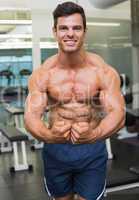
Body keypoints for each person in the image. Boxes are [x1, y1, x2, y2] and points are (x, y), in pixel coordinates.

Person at [24, 2, 125, 200]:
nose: (70, 34)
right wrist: (49, 135)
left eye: (76, 28)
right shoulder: (43, 74)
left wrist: (95, 134)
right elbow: (31, 117)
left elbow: (118, 114)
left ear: (84, 32)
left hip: (92, 150)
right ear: (55, 32)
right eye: (64, 28)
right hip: (56, 151)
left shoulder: (102, 71)